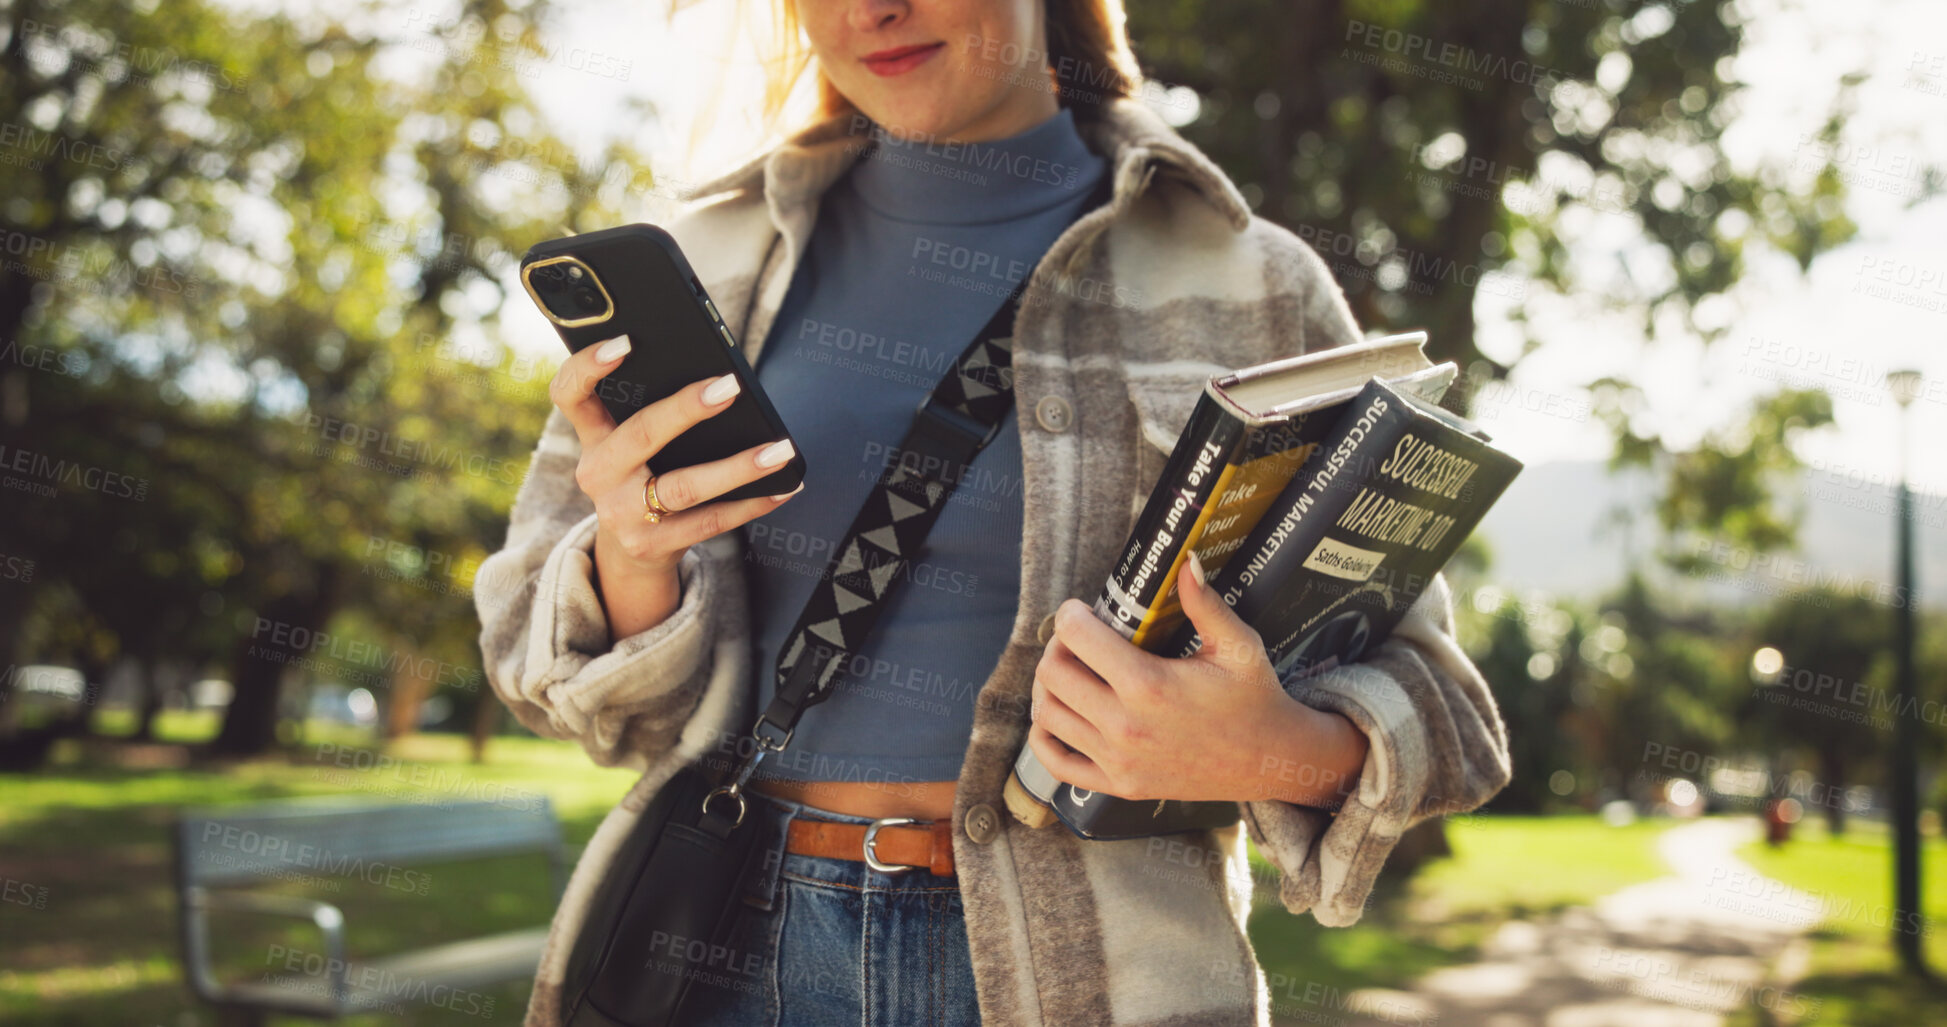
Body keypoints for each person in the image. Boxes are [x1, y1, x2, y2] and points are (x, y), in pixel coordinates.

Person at [474, 1, 1513, 1024]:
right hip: (721, 948)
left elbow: (1442, 712)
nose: (873, 9)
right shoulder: (705, 263)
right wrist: (630, 554)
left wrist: (1271, 742)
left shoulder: (1252, 285)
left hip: (1094, 976)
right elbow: (540, 664)